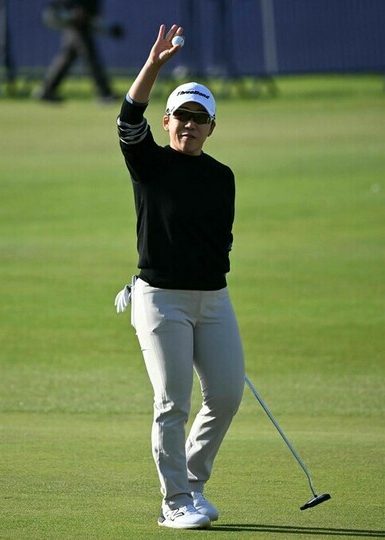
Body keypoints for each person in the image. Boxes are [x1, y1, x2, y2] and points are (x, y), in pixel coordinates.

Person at [114, 24, 245, 530]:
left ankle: (192, 484)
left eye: (200, 118)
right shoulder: (149, 164)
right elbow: (128, 118)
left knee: (227, 396)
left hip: (213, 301)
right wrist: (153, 66)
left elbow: (221, 245)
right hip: (161, 300)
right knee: (173, 402)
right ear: (167, 122)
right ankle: (174, 503)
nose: (190, 125)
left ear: (212, 127)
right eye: (182, 117)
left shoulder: (223, 177)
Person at [35, 0, 117, 103]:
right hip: (77, 26)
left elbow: (90, 15)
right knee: (90, 58)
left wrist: (106, 28)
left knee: (67, 58)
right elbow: (67, 8)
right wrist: (71, 14)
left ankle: (47, 90)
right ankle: (105, 93)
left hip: (81, 24)